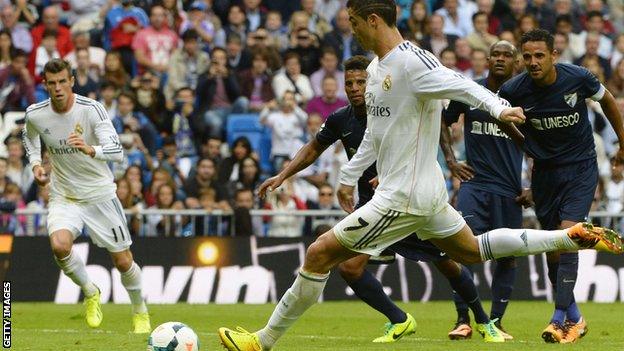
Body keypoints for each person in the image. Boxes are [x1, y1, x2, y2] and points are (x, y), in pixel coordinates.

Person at [218, 2, 623, 350]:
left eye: (354, 21)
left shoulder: (414, 62)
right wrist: (347, 176)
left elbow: (461, 84)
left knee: (320, 254)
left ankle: (262, 341)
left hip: (404, 195)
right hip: (420, 193)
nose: (351, 29)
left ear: (372, 19)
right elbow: (377, 136)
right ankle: (567, 236)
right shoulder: (377, 70)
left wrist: (499, 109)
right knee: (470, 251)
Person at [258, 54, 504, 343]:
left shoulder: (392, 109)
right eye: (348, 83)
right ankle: (399, 319)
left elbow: (421, 138)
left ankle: (483, 321)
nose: (354, 88)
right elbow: (313, 148)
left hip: (408, 201)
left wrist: (404, 171)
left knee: (447, 263)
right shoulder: (340, 119)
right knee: (349, 267)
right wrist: (283, 175)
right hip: (372, 207)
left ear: (371, 82)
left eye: (361, 81)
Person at [497, 29, 624, 344]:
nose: (533, 62)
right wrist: (527, 146)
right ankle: (576, 317)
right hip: (545, 175)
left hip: (581, 169)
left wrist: (623, 143)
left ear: (554, 55)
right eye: (527, 56)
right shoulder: (514, 89)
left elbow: (607, 100)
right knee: (553, 248)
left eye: (539, 55)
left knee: (569, 235)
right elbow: (499, 116)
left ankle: (557, 319)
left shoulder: (577, 78)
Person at [21, 59, 150, 333]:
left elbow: (117, 151)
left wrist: (91, 149)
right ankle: (91, 291)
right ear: (45, 85)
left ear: (72, 81)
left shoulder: (92, 109)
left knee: (123, 261)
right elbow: (29, 138)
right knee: (59, 246)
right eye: (52, 83)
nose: (57, 88)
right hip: (64, 195)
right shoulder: (35, 114)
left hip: (99, 195)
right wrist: (35, 164)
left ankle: (140, 310)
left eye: (62, 82)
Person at [441, 40, 525, 340]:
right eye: (496, 54)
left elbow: (543, 144)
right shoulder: (470, 90)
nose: (501, 59)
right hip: (474, 186)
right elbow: (442, 120)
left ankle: (497, 321)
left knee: (507, 257)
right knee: (463, 250)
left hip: (510, 190)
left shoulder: (525, 95)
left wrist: (534, 186)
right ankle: (463, 319)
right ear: (487, 59)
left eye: (507, 55)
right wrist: (450, 161)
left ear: (516, 62)